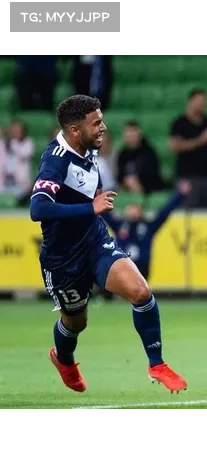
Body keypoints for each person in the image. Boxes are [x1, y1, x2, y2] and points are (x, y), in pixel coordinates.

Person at [29, 95, 187, 394]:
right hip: (62, 258)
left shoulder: (89, 147)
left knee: (140, 291)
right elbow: (38, 208)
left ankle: (156, 364)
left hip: (94, 240)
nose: (103, 128)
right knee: (76, 323)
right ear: (75, 130)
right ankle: (64, 359)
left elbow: (89, 183)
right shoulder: (56, 160)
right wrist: (90, 207)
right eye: (96, 123)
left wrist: (96, 197)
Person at [102, 181, 191, 282]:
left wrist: (180, 195)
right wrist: (96, 197)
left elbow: (165, 212)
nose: (132, 211)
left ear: (140, 211)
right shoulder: (120, 226)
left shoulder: (148, 226)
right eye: (130, 208)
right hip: (123, 267)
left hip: (142, 267)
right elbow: (105, 213)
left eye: (135, 209)